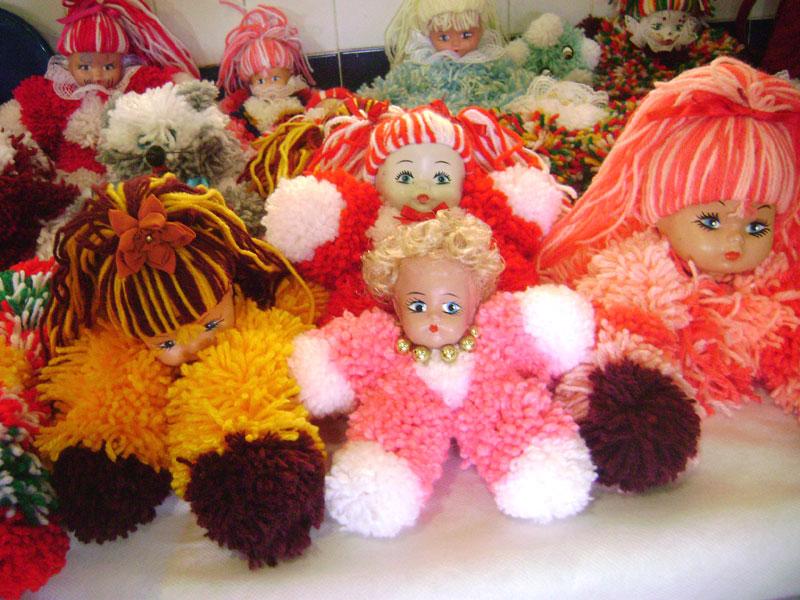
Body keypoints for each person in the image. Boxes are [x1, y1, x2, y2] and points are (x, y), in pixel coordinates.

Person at [537, 57, 800, 493]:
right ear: (661, 214)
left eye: (757, 227)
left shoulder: (776, 285)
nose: (735, 241)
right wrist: (632, 400)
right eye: (710, 222)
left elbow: (788, 343)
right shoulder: (643, 269)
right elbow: (627, 335)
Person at [35, 172, 326, 567]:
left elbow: (302, 305)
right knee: (116, 376)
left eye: (210, 323)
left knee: (245, 369)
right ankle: (109, 453)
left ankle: (249, 459)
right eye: (167, 343)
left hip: (240, 366)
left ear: (231, 287)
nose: (192, 345)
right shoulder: (125, 333)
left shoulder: (253, 313)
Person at [288, 209, 596, 537]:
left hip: (494, 400)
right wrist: (312, 367)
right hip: (407, 409)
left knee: (518, 417)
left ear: (475, 302)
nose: (433, 318)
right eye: (418, 306)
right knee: (390, 430)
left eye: (450, 307)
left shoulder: (497, 329)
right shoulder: (382, 341)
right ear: (396, 304)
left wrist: (559, 321)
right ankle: (379, 485)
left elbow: (549, 326)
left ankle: (540, 467)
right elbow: (335, 357)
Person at [262, 100, 572, 322]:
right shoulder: (370, 221)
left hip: (473, 321)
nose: (424, 187)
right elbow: (330, 249)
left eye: (442, 178)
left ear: (463, 182)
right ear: (378, 183)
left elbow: (513, 234)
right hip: (379, 325)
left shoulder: (475, 218)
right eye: (406, 177)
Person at [0, 0, 198, 191]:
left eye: (109, 66)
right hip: (73, 173)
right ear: (68, 64)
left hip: (129, 171)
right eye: (84, 67)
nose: (97, 76)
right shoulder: (57, 91)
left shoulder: (132, 81)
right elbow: (20, 114)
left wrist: (189, 89)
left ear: (122, 62)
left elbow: (171, 86)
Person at [218, 3, 316, 141]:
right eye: (260, 81)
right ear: (251, 84)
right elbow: (228, 112)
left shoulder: (300, 94)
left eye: (275, 78)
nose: (269, 85)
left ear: (289, 76)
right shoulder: (245, 103)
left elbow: (319, 102)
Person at [385, 0, 506, 67]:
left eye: (466, 35)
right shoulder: (424, 64)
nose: (456, 44)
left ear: (481, 31)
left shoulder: (490, 61)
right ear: (428, 36)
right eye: (444, 37)